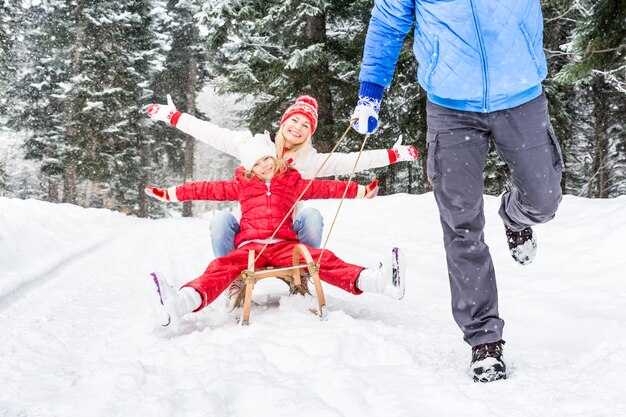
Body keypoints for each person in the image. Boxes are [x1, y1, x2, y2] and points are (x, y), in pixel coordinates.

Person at [351, 0, 564, 382]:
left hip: (521, 97)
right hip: (450, 108)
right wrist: (370, 93)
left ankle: (514, 216)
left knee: (543, 201)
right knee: (460, 222)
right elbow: (386, 22)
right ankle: (484, 340)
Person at [145, 135, 406, 327]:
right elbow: (204, 189)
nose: (265, 166)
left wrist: (361, 191)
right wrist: (170, 194)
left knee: (321, 258)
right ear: (250, 168)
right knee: (220, 267)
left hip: (285, 246)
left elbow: (325, 188)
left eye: (267, 159)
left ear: (274, 157)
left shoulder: (291, 181)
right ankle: (179, 303)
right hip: (250, 248)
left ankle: (379, 282)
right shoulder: (242, 185)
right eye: (257, 164)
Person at [147, 95, 418, 258]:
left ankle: (305, 270)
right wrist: (174, 116)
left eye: (305, 126)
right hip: (250, 229)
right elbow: (211, 133)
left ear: (310, 133)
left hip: (288, 232)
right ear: (284, 121)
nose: (298, 128)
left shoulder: (309, 162)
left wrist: (394, 155)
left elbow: (353, 161)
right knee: (220, 220)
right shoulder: (251, 145)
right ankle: (231, 274)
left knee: (311, 215)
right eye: (295, 120)